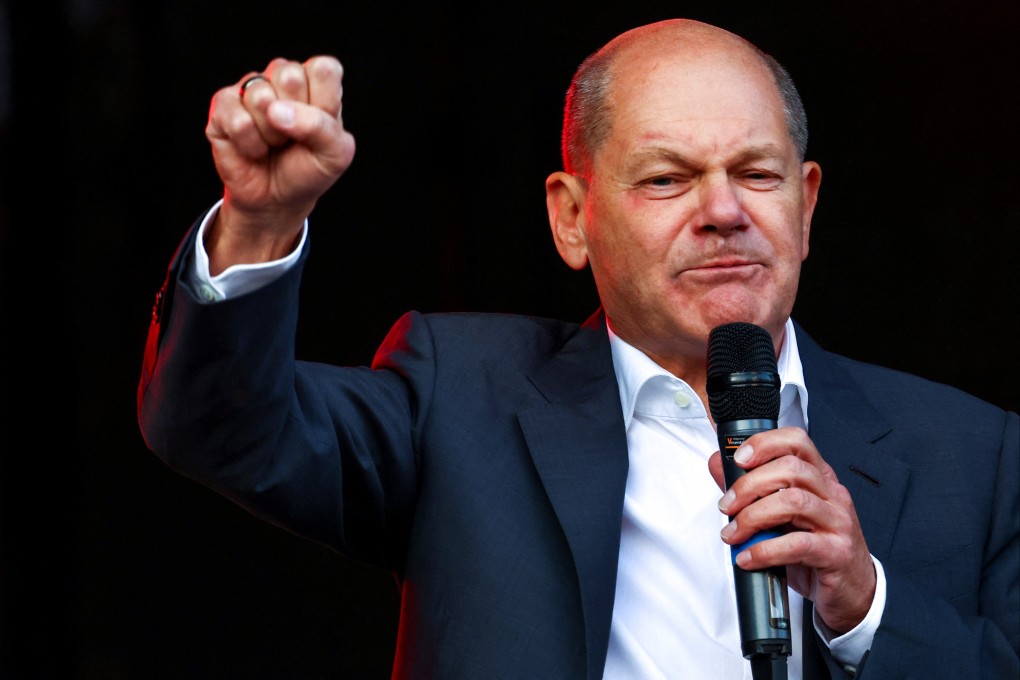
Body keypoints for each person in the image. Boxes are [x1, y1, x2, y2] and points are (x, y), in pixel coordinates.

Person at [136, 17, 1018, 680]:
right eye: (667, 179)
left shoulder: (975, 456)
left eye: (757, 174)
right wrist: (260, 222)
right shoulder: (461, 399)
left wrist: (865, 607)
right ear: (571, 217)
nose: (723, 211)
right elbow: (221, 430)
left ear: (807, 203)